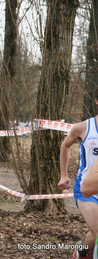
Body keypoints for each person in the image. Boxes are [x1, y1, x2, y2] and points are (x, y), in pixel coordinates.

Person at [58, 88, 98, 259]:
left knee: (94, 233)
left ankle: (81, 253)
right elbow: (65, 146)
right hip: (86, 189)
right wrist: (64, 175)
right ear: (97, 101)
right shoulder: (83, 127)